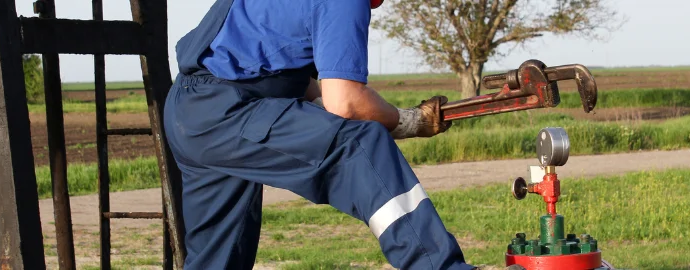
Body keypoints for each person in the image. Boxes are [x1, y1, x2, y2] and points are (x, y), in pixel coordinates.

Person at [163, 0, 477, 268]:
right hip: (229, 112)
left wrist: (324, 108)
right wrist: (409, 122)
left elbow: (282, 71)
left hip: (188, 112)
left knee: (217, 256)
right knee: (360, 145)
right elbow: (346, 102)